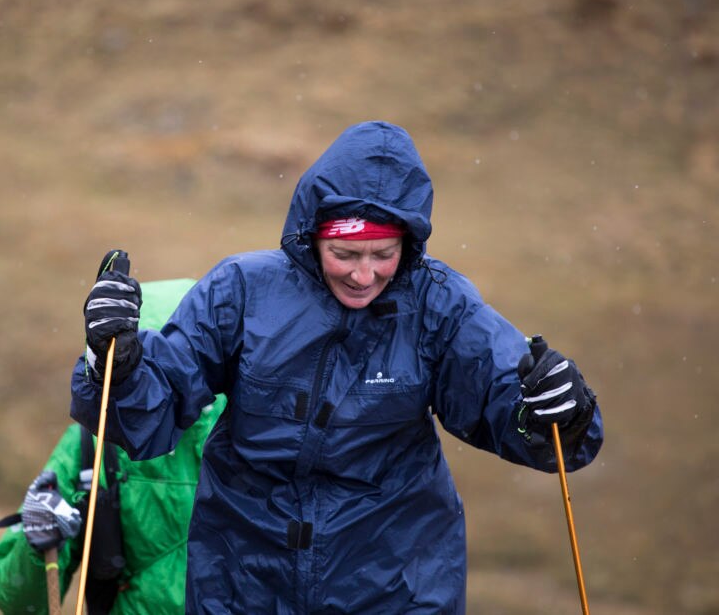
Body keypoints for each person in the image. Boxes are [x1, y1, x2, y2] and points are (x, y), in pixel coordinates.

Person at [71, 121, 604, 613]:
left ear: (408, 243)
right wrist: (114, 359)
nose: (364, 275)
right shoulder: (241, 290)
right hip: (244, 583)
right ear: (313, 234)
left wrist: (558, 411)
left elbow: (512, 409)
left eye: (383, 254)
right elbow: (150, 414)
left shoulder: (441, 305)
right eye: (345, 254)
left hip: (398, 586)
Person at [0, 278, 226, 615]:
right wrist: (35, 540)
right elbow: (14, 599)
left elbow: (17, 601)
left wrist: (38, 543)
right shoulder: (266, 433)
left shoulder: (93, 439)